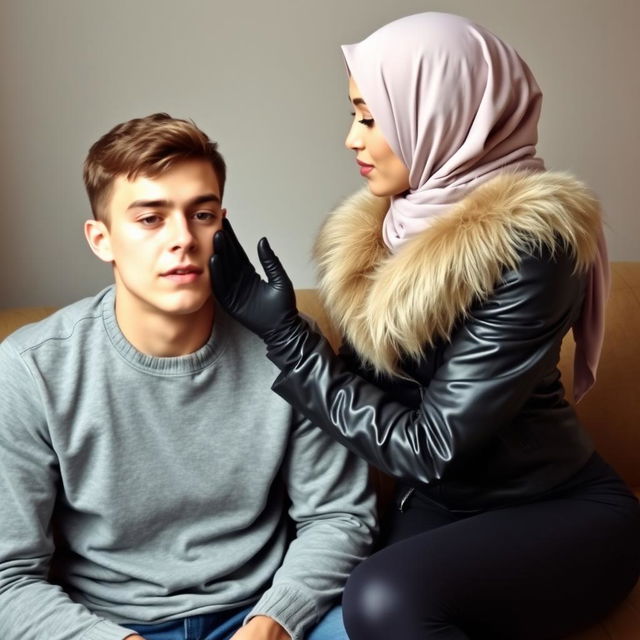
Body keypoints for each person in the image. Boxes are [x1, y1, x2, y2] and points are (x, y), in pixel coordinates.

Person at [209, 13, 640, 640]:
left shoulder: (531, 248)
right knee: (346, 590)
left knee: (381, 599)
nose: (351, 139)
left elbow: (430, 445)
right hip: (444, 505)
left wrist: (291, 342)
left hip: (562, 510)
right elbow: (361, 392)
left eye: (369, 115)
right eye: (355, 114)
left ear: (439, 111)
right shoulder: (392, 229)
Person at [0, 113, 377, 640]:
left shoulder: (287, 341)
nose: (182, 238)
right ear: (101, 238)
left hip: (265, 612)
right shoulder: (31, 368)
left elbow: (339, 517)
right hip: (109, 627)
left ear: (222, 223)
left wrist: (272, 623)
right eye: (150, 219)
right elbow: (8, 578)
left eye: (201, 214)